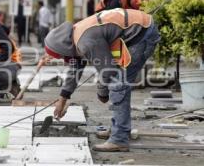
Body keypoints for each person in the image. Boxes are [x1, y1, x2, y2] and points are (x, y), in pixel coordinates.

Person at [44, 8, 161, 152]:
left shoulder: (86, 41)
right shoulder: (75, 35)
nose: (63, 59)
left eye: (60, 56)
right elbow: (75, 70)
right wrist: (62, 99)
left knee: (118, 85)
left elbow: (108, 71)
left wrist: (102, 92)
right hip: (141, 28)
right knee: (118, 85)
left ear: (62, 49)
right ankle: (119, 131)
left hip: (142, 34)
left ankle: (119, 139)